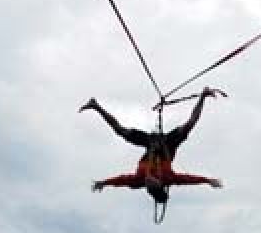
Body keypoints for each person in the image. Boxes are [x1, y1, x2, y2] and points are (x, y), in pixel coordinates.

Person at [82, 87, 223, 206]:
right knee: (190, 124)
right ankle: (204, 95)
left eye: (148, 183)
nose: (149, 180)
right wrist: (208, 180)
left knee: (120, 130)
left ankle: (95, 106)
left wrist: (104, 183)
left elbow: (121, 180)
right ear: (160, 183)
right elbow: (189, 179)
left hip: (150, 143)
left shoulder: (138, 180)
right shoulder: (169, 178)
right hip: (167, 144)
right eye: (153, 182)